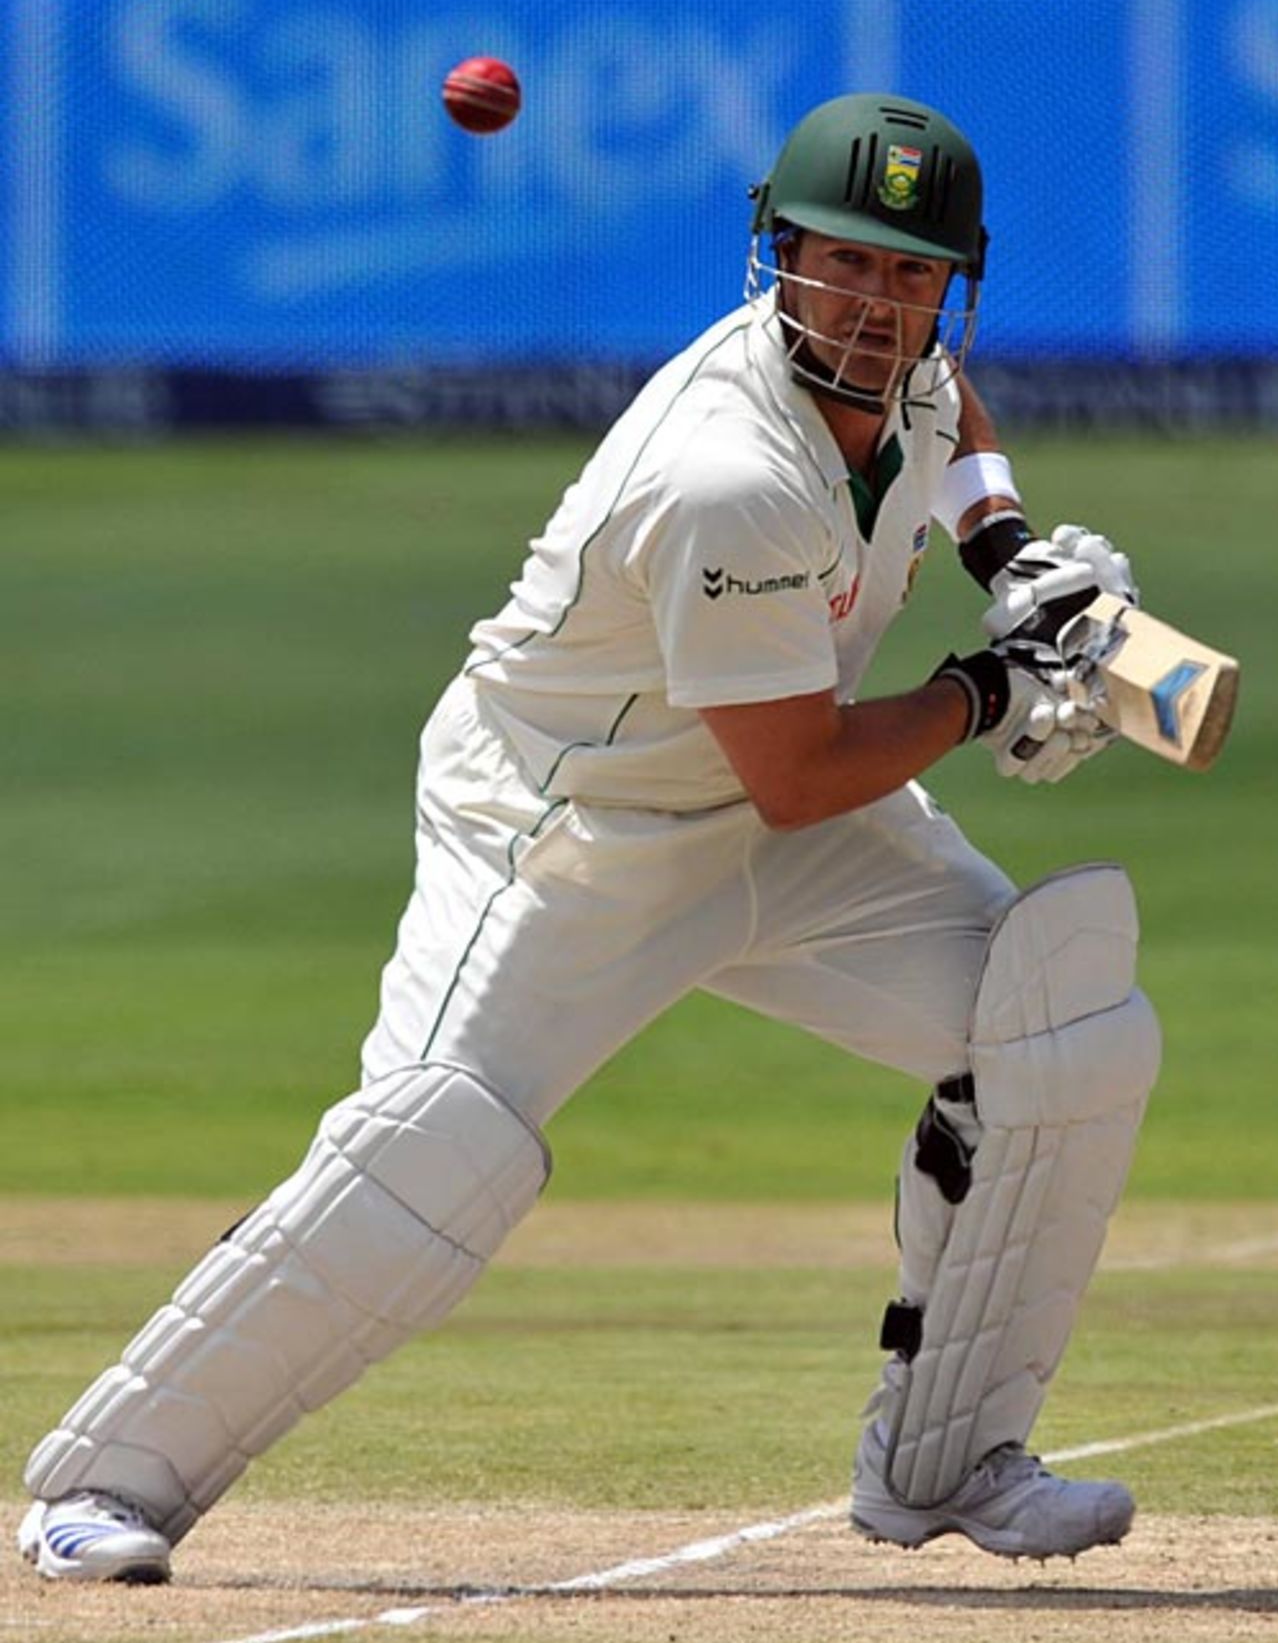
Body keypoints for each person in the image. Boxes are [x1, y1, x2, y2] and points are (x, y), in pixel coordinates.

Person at [19, 93, 1160, 1585]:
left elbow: (950, 417)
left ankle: (945, 1461)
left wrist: (1005, 555)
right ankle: (102, 1485)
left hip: (779, 817)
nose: (878, 306)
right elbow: (803, 772)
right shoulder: (723, 475)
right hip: (573, 830)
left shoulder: (910, 362)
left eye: (911, 273)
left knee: (1064, 1025)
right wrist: (991, 687)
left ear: (953, 283)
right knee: (439, 1150)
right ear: (779, 255)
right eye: (844, 265)